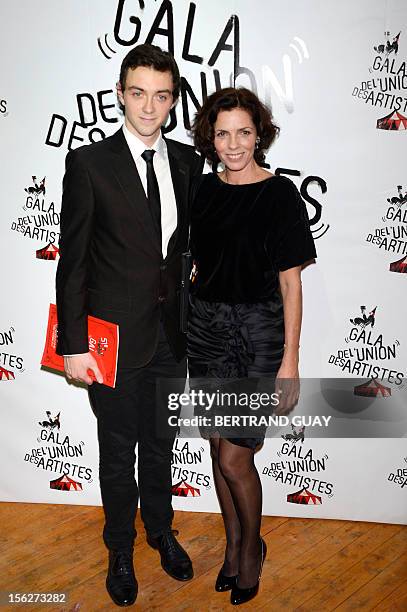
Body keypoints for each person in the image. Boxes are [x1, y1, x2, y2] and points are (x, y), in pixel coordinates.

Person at [55, 43, 202, 607]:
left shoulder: (188, 164)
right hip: (111, 341)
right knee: (118, 450)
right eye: (138, 93)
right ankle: (119, 547)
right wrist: (73, 345)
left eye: (161, 96)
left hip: (172, 336)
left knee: (162, 447)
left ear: (172, 100)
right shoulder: (90, 164)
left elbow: (186, 247)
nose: (149, 106)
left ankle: (160, 532)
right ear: (121, 94)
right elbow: (75, 262)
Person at [188, 87, 316, 606]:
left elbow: (291, 283)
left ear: (259, 133)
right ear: (210, 138)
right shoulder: (202, 191)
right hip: (207, 332)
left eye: (244, 131)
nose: (234, 143)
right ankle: (234, 543)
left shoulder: (280, 194)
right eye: (223, 133)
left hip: (259, 336)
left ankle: (250, 552)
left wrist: (291, 358)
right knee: (220, 452)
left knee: (236, 458)